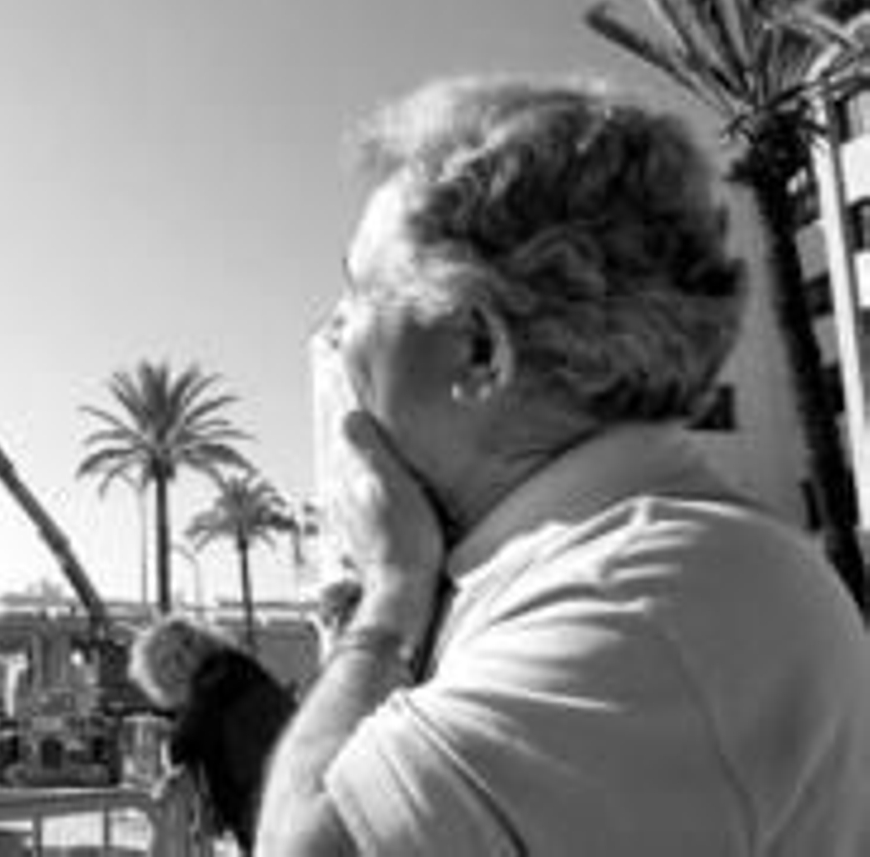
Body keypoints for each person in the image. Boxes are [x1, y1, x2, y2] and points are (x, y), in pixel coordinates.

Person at [257, 75, 870, 857]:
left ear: (479, 350)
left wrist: (387, 600)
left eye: (358, 294)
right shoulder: (619, 564)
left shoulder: (644, 598)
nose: (339, 334)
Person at [129, 614, 296, 853]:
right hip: (284, 798)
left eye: (168, 664)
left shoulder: (217, 678)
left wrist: (168, 748)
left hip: (272, 811)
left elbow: (183, 744)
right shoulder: (236, 668)